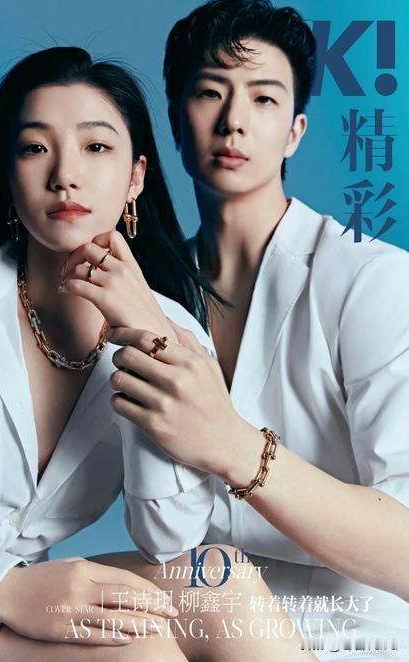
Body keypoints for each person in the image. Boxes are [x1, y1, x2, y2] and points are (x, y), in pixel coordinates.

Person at [0, 45, 312, 662]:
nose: (64, 174)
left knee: (220, 581)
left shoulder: (171, 334)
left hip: (32, 595)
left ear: (135, 177)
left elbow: (168, 537)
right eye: (34, 148)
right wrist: (4, 593)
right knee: (137, 647)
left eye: (95, 146)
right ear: (9, 176)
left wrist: (145, 335)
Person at [106, 1, 409, 659]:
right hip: (197, 630)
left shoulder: (372, 280)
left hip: (351, 638)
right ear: (175, 121)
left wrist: (233, 446)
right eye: (210, 93)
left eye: (264, 99)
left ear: (295, 132)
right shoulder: (149, 296)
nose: (234, 121)